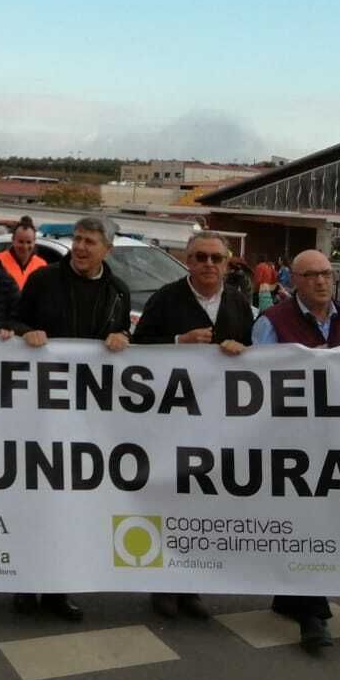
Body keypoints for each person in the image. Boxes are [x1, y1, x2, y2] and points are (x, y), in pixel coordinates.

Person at [7, 217, 132, 623]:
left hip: (88, 419)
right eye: (77, 240)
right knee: (37, 501)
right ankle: (26, 586)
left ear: (106, 249)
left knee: (72, 508)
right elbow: (13, 321)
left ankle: (59, 587)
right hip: (40, 410)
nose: (80, 247)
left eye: (89, 242)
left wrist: (122, 340)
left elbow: (125, 344)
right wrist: (27, 333)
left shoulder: (118, 292)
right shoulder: (44, 281)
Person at [132, 230, 255, 621]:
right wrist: (178, 341)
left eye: (215, 258)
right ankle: (163, 585)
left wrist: (244, 353)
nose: (208, 265)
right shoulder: (165, 298)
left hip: (215, 425)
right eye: (200, 257)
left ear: (227, 262)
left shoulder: (238, 302)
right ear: (188, 259)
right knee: (167, 500)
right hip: (170, 420)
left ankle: (191, 585)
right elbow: (138, 348)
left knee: (204, 503)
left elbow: (256, 359)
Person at [252, 249, 340, 653]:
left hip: (336, 439)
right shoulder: (271, 322)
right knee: (304, 523)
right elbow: (257, 381)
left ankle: (290, 598)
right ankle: (314, 616)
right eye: (312, 275)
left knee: (323, 520)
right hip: (289, 441)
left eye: (327, 274)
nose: (322, 281)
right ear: (293, 280)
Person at [0, 217, 47, 291]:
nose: (25, 247)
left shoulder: (41, 265)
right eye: (21, 242)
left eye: (29, 242)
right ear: (13, 240)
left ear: (34, 242)